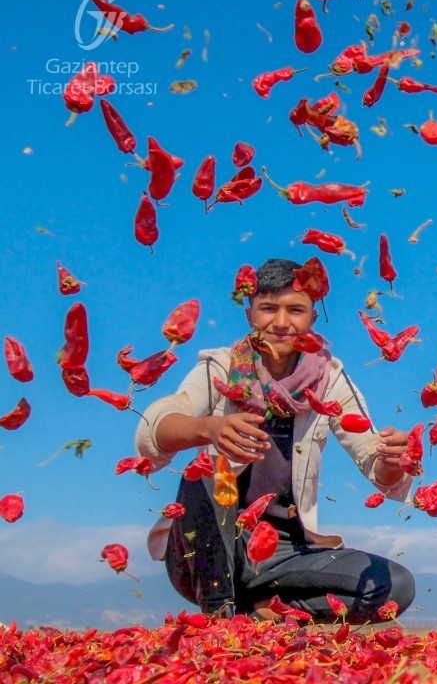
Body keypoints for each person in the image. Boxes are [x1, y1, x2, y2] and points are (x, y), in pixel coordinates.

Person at [135, 258, 415, 622]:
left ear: (313, 319)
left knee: (394, 586)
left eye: (295, 310)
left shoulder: (328, 378)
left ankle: (262, 612)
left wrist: (394, 461)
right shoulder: (223, 366)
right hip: (211, 545)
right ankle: (220, 611)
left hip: (285, 553)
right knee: (203, 470)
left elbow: (373, 462)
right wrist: (209, 428)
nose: (281, 323)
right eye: (268, 308)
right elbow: (152, 430)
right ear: (250, 313)